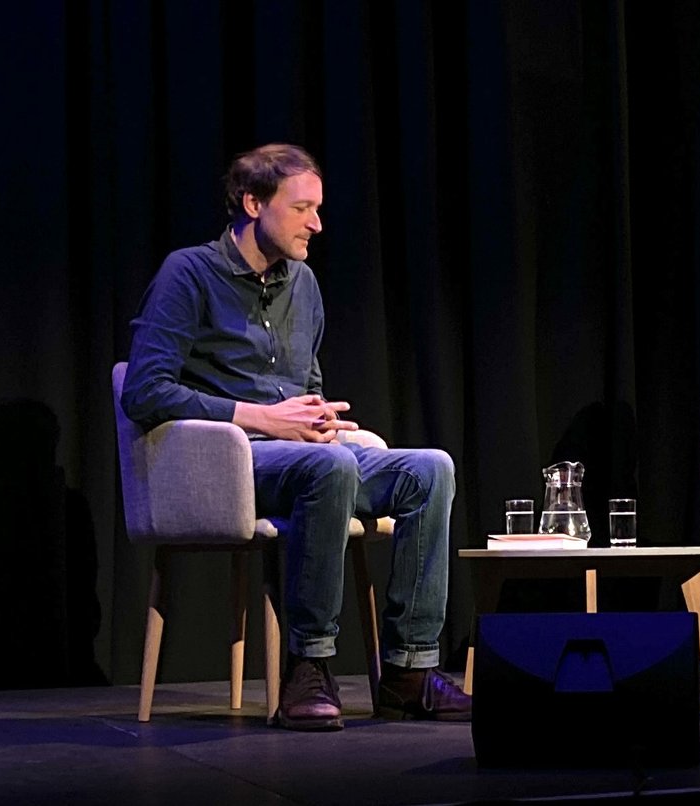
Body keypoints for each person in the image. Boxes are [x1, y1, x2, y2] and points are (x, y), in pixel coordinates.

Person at [120, 143, 471, 730]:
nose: (317, 224)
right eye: (303, 208)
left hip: (301, 460)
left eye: (319, 209)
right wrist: (262, 418)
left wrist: (321, 421)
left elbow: (303, 385)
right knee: (328, 470)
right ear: (253, 203)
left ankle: (409, 671)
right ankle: (310, 667)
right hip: (225, 465)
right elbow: (145, 391)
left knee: (430, 468)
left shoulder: (302, 283)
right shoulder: (189, 274)